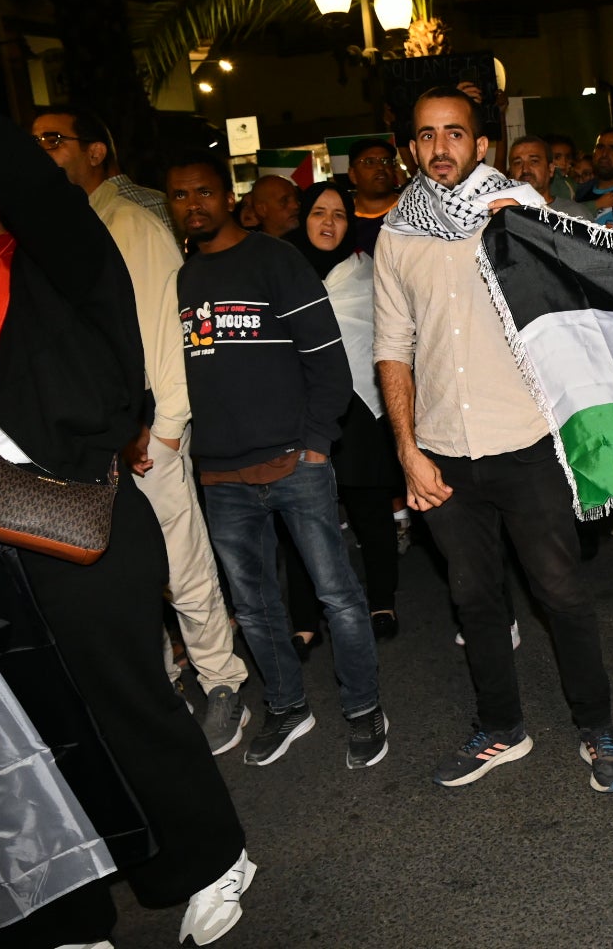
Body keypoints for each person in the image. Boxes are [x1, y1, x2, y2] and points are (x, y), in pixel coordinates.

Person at [0, 57, 252, 947]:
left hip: (78, 526)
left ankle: (209, 860)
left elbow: (17, 161)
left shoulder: (57, 262)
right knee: (14, 736)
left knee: (125, 703)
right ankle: (72, 911)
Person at [373, 85, 613, 793]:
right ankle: (500, 726)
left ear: (479, 143)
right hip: (442, 453)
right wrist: (407, 449)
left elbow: (584, 302)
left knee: (561, 595)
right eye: (426, 135)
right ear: (412, 146)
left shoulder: (522, 214)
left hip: (527, 443)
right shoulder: (396, 233)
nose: (440, 148)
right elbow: (392, 348)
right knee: (473, 599)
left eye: (454, 133)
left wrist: (533, 228)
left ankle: (596, 725)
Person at [29, 105, 251, 756]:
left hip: (149, 432)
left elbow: (164, 329)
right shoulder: (70, 225)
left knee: (182, 562)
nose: (41, 151)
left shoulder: (129, 221)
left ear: (97, 151)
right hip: (95, 436)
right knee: (124, 571)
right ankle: (162, 681)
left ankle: (223, 683)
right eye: (33, 142)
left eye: (54, 140)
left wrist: (168, 429)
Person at [168, 150, 388, 770]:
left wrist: (317, 444)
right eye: (180, 196)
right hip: (221, 474)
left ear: (228, 198)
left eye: (203, 193)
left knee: (338, 596)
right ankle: (288, 706)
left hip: (297, 463)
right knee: (256, 606)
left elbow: (330, 364)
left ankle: (364, 708)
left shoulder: (276, 261)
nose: (193, 206)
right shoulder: (182, 278)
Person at [282, 183, 407, 641]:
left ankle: (382, 602)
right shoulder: (281, 269)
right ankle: (304, 615)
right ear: (304, 217)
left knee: (370, 510)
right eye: (319, 212)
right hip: (299, 406)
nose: (329, 222)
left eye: (339, 214)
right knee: (301, 514)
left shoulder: (367, 271)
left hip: (359, 407)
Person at [344, 136, 401, 255]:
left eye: (386, 161)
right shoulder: (342, 218)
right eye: (369, 162)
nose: (380, 167)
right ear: (353, 174)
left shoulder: (415, 210)